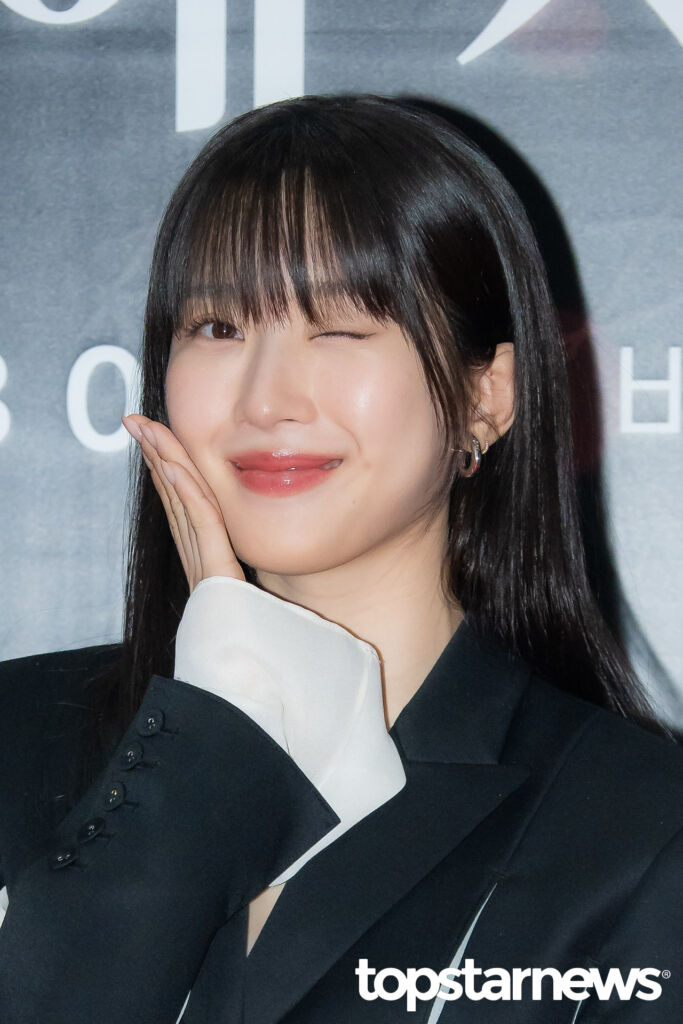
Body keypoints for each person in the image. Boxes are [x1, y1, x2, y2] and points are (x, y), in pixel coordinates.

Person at [1, 93, 682, 1024]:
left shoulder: (635, 829)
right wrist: (212, 735)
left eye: (339, 327)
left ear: (486, 396)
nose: (266, 399)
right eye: (219, 328)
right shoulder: (18, 738)